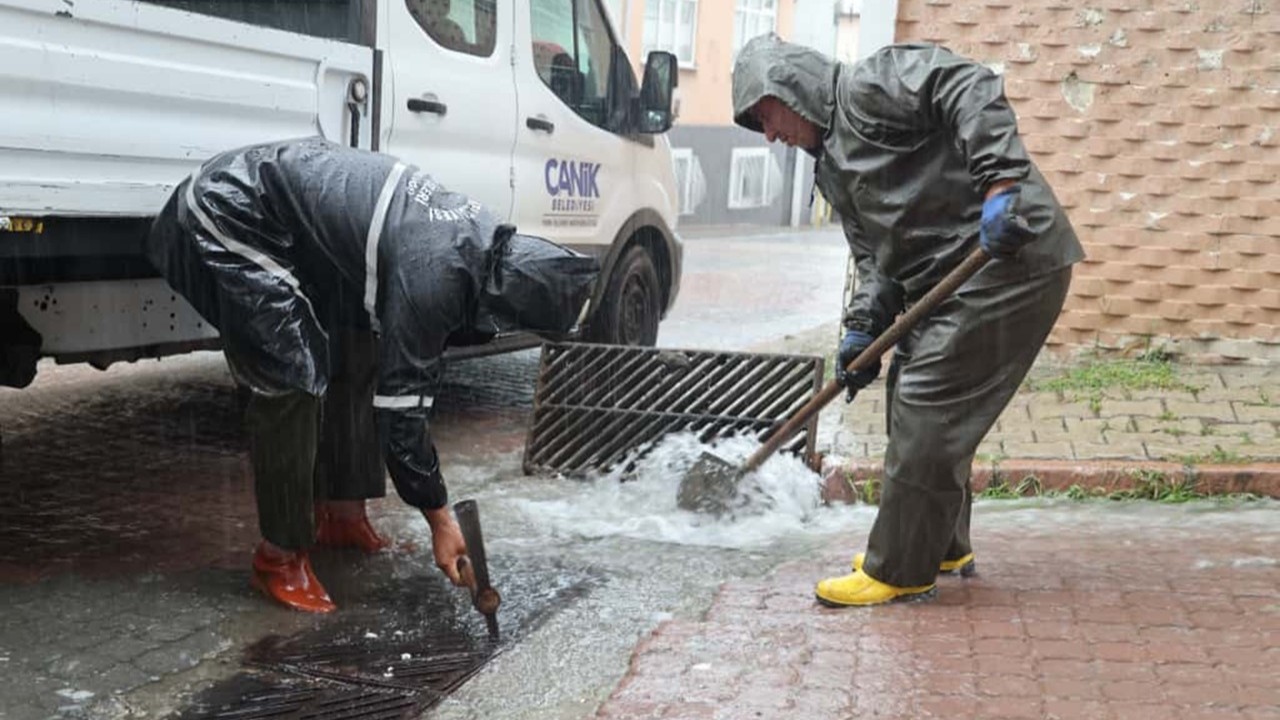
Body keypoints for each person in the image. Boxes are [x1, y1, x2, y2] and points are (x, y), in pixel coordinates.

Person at [146, 137, 599, 613]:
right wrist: (441, 521)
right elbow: (402, 416)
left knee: (357, 352)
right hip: (230, 208)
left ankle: (342, 513)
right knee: (291, 373)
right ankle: (279, 557)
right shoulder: (435, 275)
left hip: (289, 226)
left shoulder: (481, 244)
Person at [732, 35, 1084, 606]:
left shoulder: (873, 85)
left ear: (788, 87)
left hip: (1010, 259)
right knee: (911, 395)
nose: (769, 134)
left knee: (929, 401)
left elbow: (967, 85)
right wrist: (862, 330)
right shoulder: (832, 172)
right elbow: (876, 260)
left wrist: (1000, 185)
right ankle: (939, 542)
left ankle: (899, 569)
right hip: (949, 282)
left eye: (765, 115)